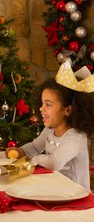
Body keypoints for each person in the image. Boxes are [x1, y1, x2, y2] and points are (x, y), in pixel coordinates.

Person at [5, 61, 94, 191]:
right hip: (55, 189)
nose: (41, 108)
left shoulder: (75, 137)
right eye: (42, 103)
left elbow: (54, 163)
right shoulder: (49, 130)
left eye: (48, 104)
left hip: (75, 197)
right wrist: (21, 151)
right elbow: (35, 146)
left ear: (68, 110)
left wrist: (34, 159)